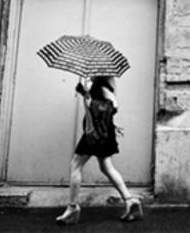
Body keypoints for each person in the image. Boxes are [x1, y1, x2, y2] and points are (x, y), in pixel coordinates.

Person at [55, 75, 144, 225]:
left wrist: (89, 96)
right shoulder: (100, 83)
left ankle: (73, 208)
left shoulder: (102, 85)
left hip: (95, 134)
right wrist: (85, 93)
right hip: (103, 133)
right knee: (106, 167)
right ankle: (130, 201)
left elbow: (114, 106)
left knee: (76, 165)